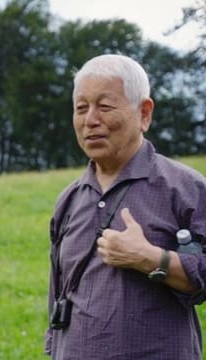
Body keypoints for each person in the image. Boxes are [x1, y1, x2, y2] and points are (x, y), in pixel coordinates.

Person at [45, 54, 206, 359]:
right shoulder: (69, 199)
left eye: (104, 107)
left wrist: (152, 259)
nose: (90, 120)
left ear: (144, 113)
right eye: (81, 108)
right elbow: (58, 292)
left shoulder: (186, 189)